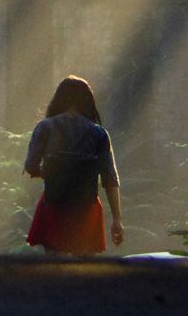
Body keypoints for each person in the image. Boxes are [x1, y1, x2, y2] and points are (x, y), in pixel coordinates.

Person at [22, 75, 124, 255]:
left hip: (54, 204)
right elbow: (110, 178)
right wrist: (117, 219)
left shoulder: (45, 127)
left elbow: (30, 166)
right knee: (84, 271)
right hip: (87, 208)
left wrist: (50, 172)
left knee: (55, 269)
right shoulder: (99, 133)